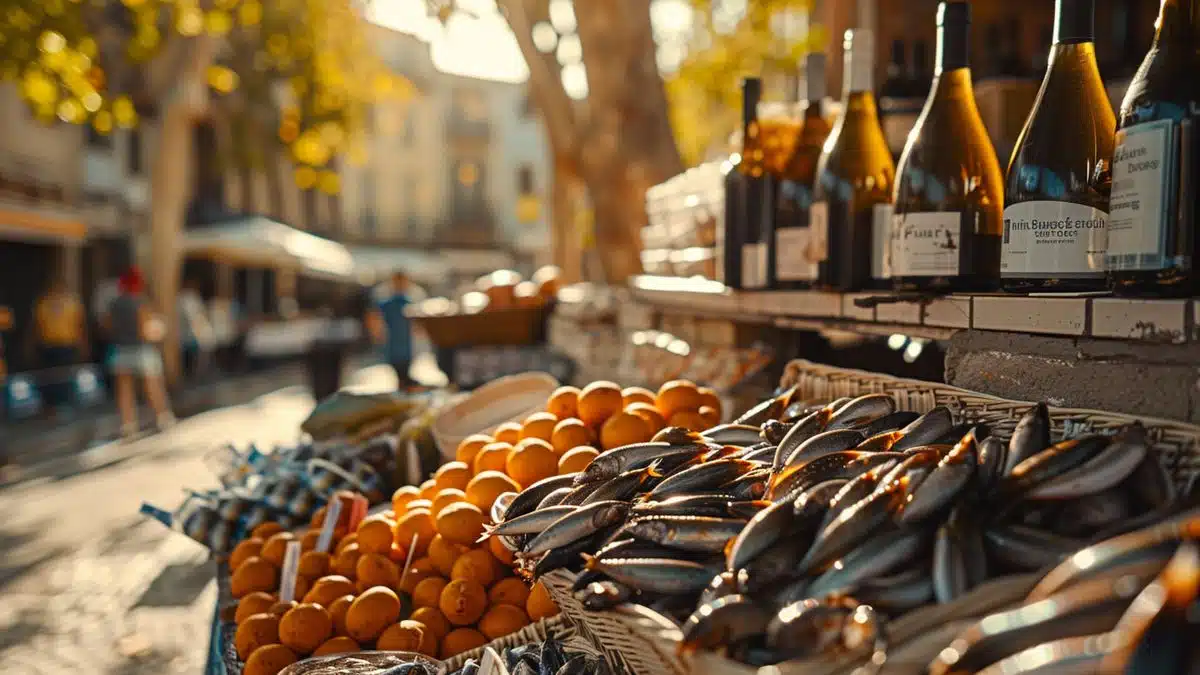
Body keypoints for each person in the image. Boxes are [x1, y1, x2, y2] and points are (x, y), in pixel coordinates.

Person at [104, 267, 175, 438]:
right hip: (141, 349)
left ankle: (128, 425)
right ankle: (162, 417)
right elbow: (145, 329)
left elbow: (106, 326)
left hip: (119, 349)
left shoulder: (114, 303)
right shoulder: (140, 302)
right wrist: (159, 333)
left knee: (124, 390)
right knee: (152, 386)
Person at [32, 278, 88, 413]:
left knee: (65, 375)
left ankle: (66, 403)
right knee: (49, 377)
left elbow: (80, 325)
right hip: (48, 344)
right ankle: (50, 405)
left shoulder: (72, 302)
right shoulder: (44, 302)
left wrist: (83, 344)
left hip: (67, 344)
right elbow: (36, 325)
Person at [368, 271, 415, 389]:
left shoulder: (408, 302)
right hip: (395, 345)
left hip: (405, 346)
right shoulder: (389, 303)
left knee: (403, 376)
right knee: (402, 376)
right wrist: (377, 335)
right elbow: (373, 317)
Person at [178, 278, 214, 379]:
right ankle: (197, 372)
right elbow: (194, 315)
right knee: (199, 351)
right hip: (192, 329)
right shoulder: (188, 298)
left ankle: (198, 371)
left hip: (193, 329)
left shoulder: (188, 297)